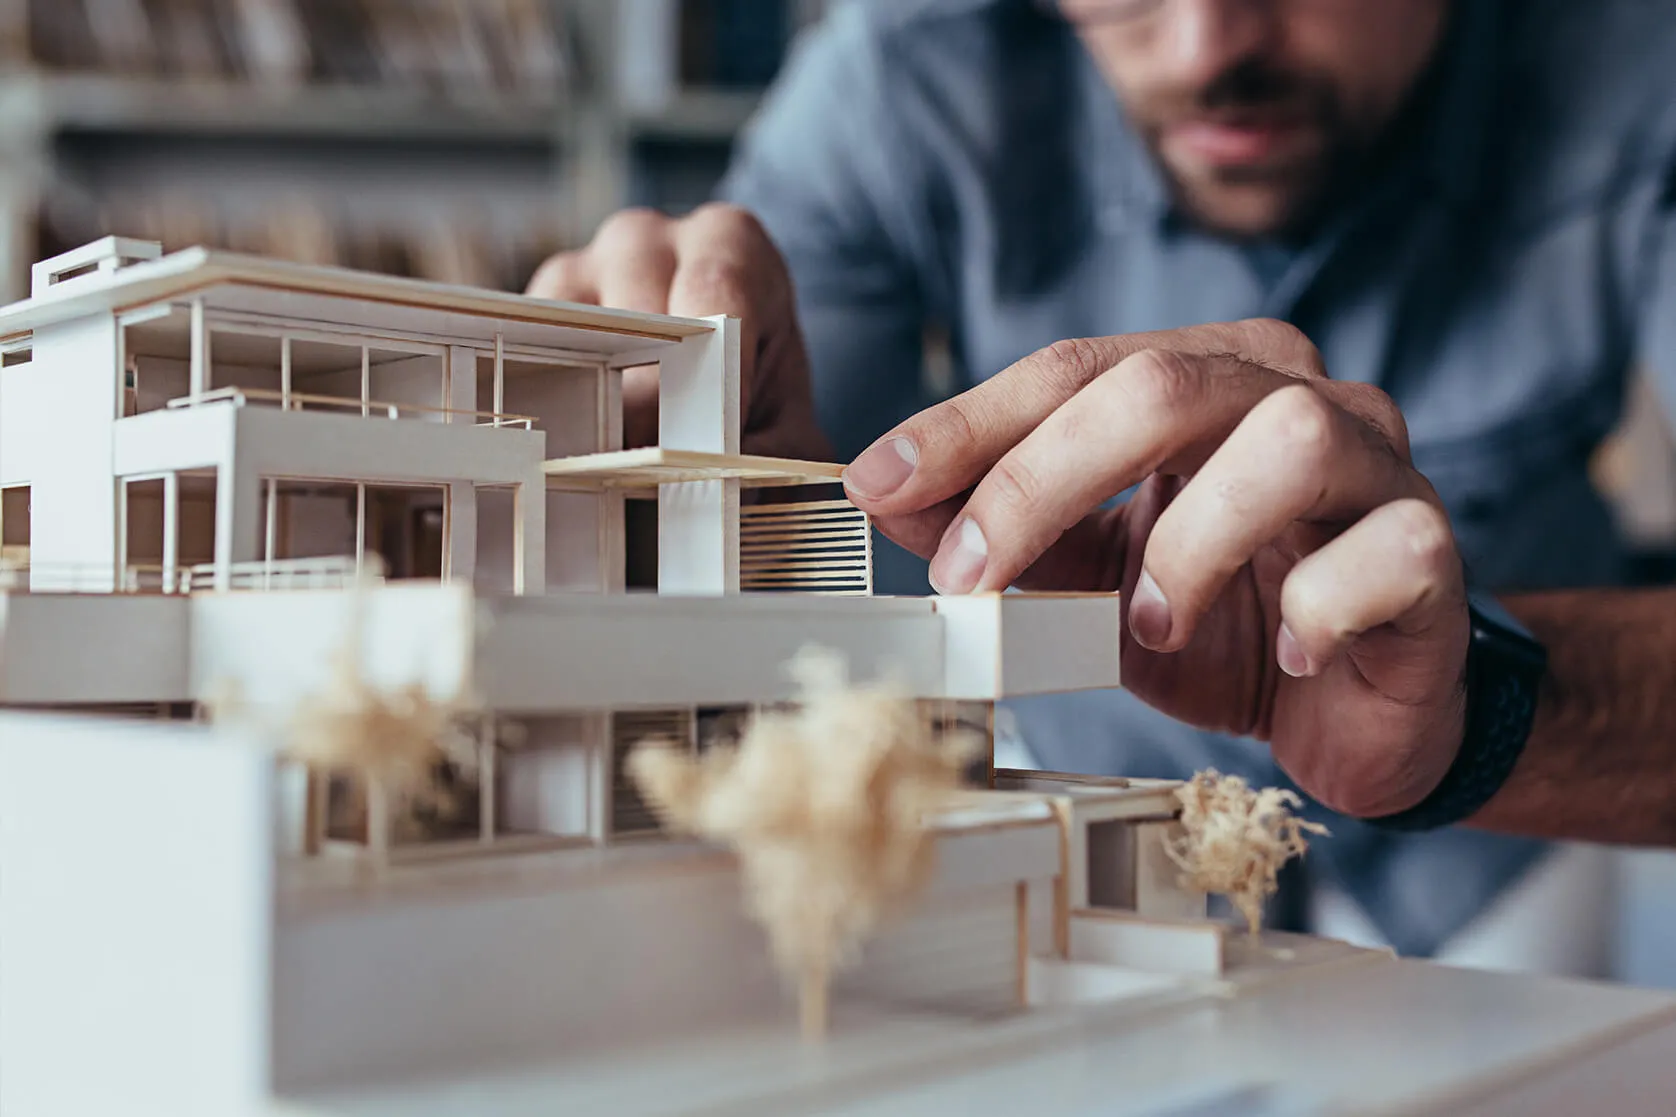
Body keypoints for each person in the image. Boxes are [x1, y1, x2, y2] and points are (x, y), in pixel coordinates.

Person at [529, 0, 1676, 966]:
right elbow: (796, 533)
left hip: (1515, 832)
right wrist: (689, 480)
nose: (1202, 50)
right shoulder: (896, 76)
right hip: (1074, 837)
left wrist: (1473, 718)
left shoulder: (1636, 65)